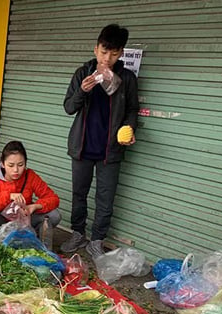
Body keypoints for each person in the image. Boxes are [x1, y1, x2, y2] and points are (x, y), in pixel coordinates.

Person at [60, 24, 139, 259]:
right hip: (82, 147)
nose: (108, 58)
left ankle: (96, 240)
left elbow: (133, 109)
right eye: (104, 52)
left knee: (106, 197)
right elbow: (68, 107)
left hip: (110, 150)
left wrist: (130, 129)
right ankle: (77, 233)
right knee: (79, 194)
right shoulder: (81, 73)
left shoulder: (126, 78)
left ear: (121, 53)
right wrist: (82, 91)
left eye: (114, 53)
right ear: (96, 50)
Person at [0, 141, 61, 234]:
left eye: (20, 165)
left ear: (25, 163)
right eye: (11, 165)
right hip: (2, 221)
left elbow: (53, 199)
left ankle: (31, 237)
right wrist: (8, 196)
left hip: (24, 219)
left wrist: (34, 206)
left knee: (54, 215)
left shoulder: (30, 176)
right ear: (3, 164)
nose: (16, 170)